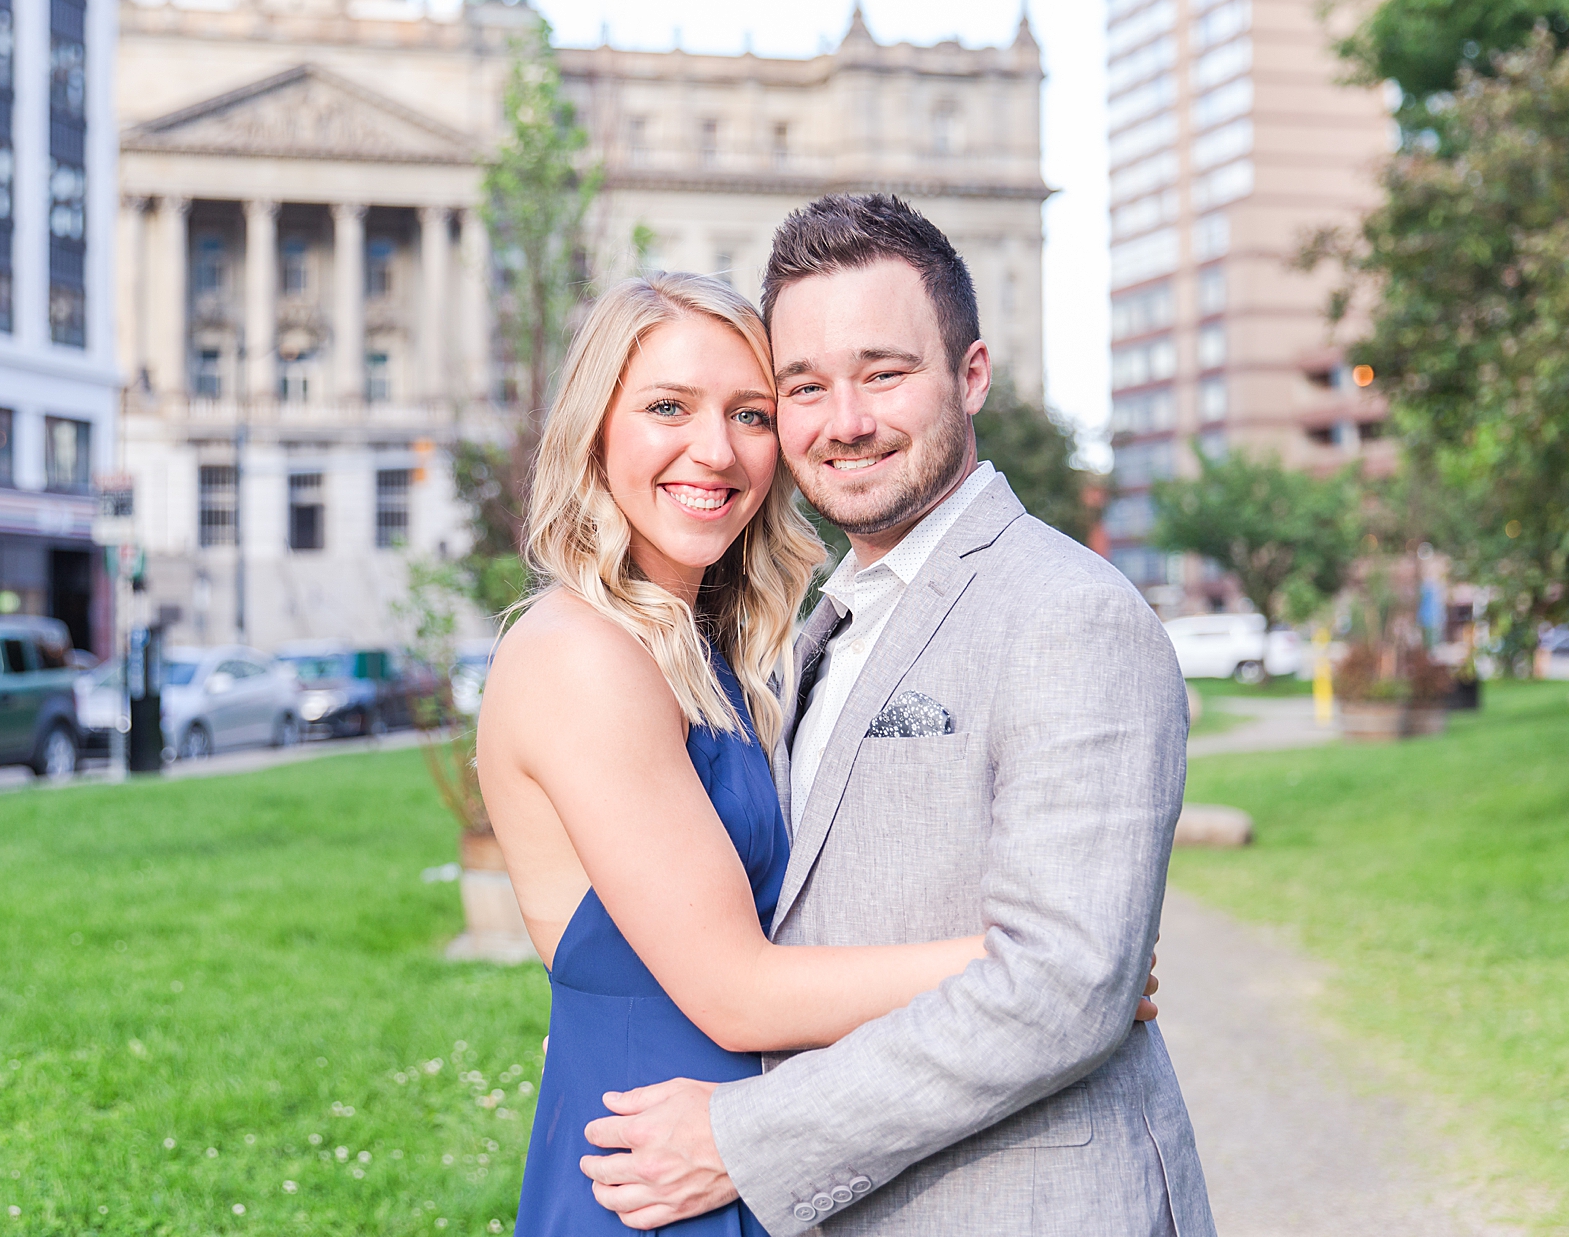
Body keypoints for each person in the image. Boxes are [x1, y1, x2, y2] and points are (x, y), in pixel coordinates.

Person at [476, 264, 1171, 1237]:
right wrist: (1028, 965)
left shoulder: (710, 649)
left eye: (751, 413)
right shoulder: (579, 656)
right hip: (658, 1165)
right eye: (667, 407)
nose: (711, 451)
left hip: (752, 1153)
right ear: (595, 428)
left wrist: (1061, 970)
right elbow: (734, 990)